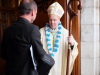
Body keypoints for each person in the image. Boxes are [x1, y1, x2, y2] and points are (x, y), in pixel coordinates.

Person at [1, 0, 54, 75]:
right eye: (36, 13)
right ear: (33, 12)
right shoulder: (33, 29)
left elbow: (3, 57)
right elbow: (42, 56)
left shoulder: (7, 30)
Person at [40, 2, 78, 75]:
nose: (52, 22)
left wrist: (72, 44)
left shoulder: (66, 33)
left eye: (54, 20)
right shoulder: (41, 32)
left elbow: (74, 51)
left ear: (59, 20)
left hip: (60, 66)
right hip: (45, 68)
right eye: (50, 20)